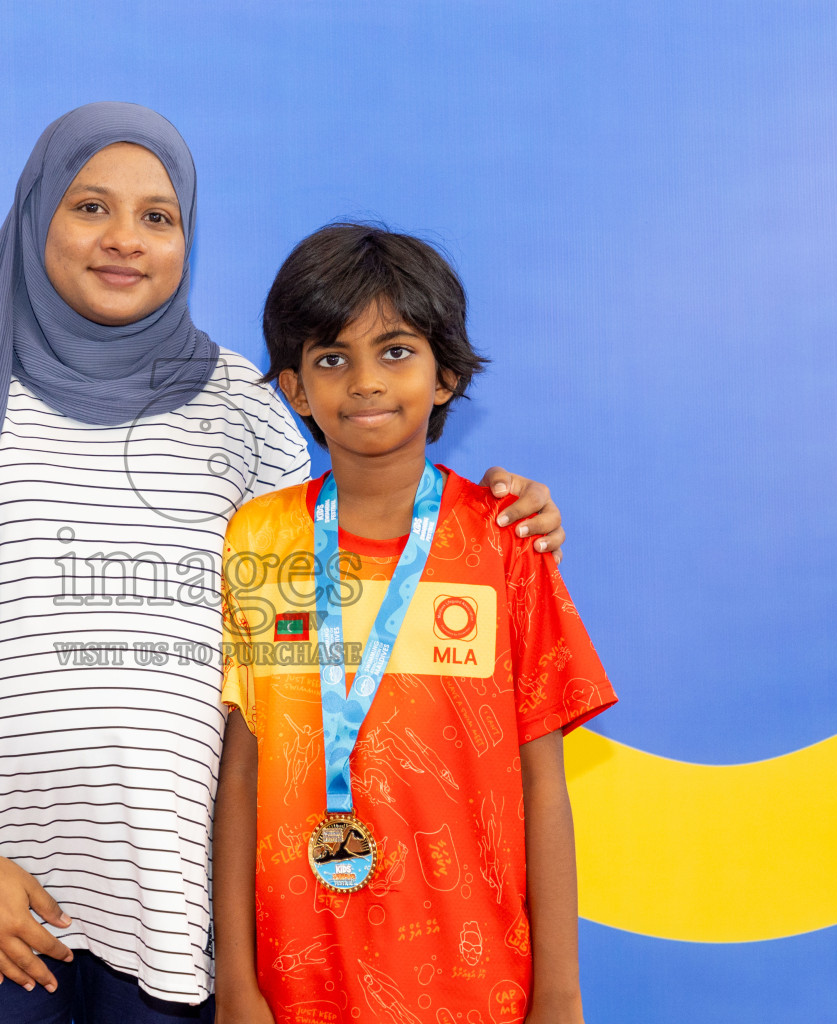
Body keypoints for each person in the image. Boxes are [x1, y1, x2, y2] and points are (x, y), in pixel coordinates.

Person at [0, 104, 567, 1024]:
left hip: (174, 909)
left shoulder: (248, 415)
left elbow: (331, 609)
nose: (124, 241)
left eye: (157, 216)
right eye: (89, 207)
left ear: (187, 237)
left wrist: (505, 521)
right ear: (34, 216)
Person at [214, 224, 617, 1024]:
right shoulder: (257, 541)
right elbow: (244, 768)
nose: (364, 382)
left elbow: (543, 780)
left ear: (448, 376)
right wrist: (237, 983)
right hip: (300, 981)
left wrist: (560, 996)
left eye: (395, 351)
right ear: (295, 390)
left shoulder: (505, 542)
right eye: (332, 358)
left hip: (479, 982)